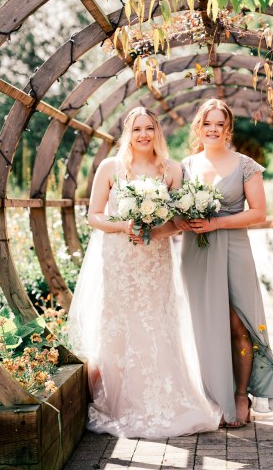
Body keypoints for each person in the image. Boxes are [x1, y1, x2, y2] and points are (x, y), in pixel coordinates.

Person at [67, 106, 221, 438]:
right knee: (121, 324)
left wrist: (156, 232)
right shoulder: (110, 167)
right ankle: (118, 401)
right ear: (127, 133)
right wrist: (125, 225)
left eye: (149, 128)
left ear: (157, 132)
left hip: (155, 260)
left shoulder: (172, 169)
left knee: (155, 323)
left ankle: (165, 399)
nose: (143, 135)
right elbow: (94, 216)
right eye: (136, 129)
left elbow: (178, 222)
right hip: (119, 260)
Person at [176, 98, 273, 428]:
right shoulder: (185, 166)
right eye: (207, 122)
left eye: (219, 124)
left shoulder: (245, 164)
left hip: (234, 248)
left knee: (240, 323)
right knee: (204, 324)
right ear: (199, 126)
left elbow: (258, 212)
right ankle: (212, 396)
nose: (213, 129)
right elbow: (176, 211)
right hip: (196, 252)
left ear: (227, 129)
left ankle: (239, 394)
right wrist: (185, 221)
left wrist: (217, 223)